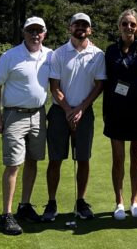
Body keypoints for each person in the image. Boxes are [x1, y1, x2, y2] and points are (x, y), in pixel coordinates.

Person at [0, 17, 52, 235]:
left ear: (44, 33)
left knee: (33, 161)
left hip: (38, 115)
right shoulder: (10, 55)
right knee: (14, 164)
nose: (35, 34)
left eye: (39, 31)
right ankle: (6, 215)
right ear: (24, 32)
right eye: (30, 30)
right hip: (14, 115)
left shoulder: (50, 55)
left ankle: (24, 206)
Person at [43, 13, 106, 222]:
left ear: (90, 30)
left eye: (84, 25)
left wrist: (80, 108)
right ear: (70, 28)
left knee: (83, 159)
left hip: (85, 112)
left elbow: (99, 86)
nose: (81, 28)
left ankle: (81, 200)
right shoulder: (59, 54)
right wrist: (69, 109)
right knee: (55, 159)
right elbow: (54, 86)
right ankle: (51, 203)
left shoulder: (98, 55)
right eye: (77, 24)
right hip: (60, 112)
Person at [103, 9, 137, 220]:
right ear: (119, 26)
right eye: (125, 24)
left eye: (132, 24)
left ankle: (134, 201)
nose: (128, 27)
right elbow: (105, 82)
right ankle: (119, 202)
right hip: (116, 110)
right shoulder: (110, 51)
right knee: (118, 157)